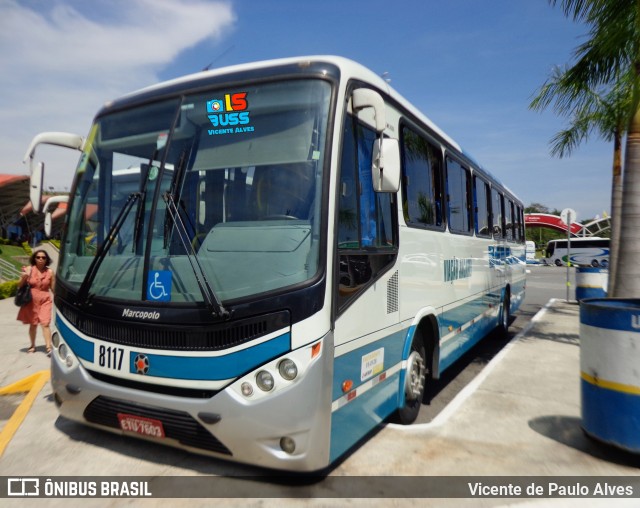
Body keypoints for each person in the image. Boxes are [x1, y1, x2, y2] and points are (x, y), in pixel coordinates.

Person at [16, 249, 55, 355]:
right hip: (31, 300)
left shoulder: (50, 272)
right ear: (34, 258)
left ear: (47, 259)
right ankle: (32, 345)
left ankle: (48, 347)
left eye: (43, 257)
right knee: (33, 324)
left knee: (45, 323)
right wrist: (24, 278)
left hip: (45, 300)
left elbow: (53, 288)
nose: (41, 259)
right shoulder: (29, 269)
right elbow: (19, 285)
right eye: (38, 257)